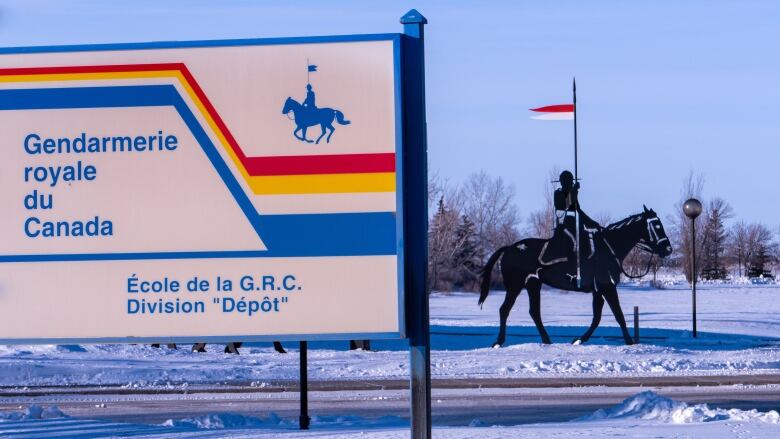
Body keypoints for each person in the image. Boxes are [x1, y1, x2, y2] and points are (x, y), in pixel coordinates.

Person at [545, 170, 601, 271]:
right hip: (565, 226)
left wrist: (592, 223)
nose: (570, 183)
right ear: (562, 182)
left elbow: (579, 211)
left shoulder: (573, 194)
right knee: (572, 243)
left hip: (577, 226)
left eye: (571, 181)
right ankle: (570, 269)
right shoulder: (558, 193)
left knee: (589, 241)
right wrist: (574, 191)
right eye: (568, 181)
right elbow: (564, 205)